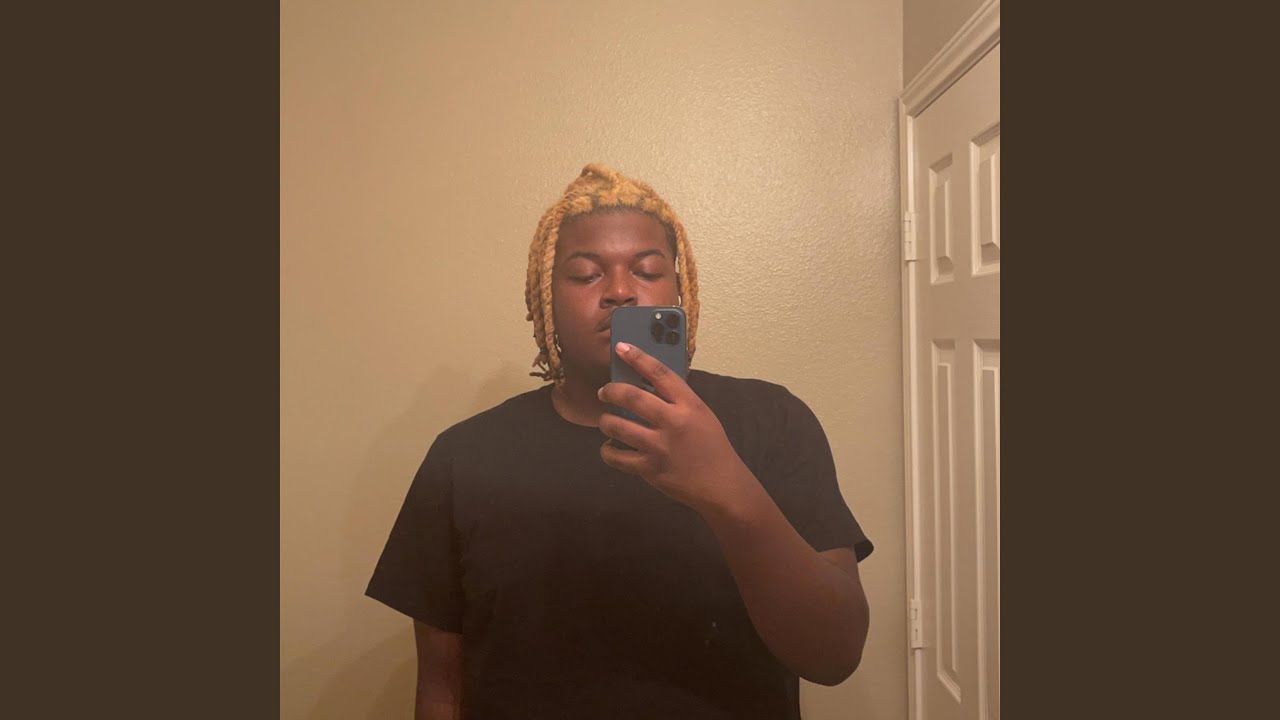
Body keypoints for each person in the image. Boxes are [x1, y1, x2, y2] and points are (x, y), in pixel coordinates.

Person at [366, 164, 874, 720]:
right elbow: (442, 687)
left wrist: (728, 488)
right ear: (545, 300)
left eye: (647, 270)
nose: (620, 291)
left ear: (681, 290)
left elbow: (835, 654)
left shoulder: (773, 422)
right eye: (585, 275)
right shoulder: (464, 458)